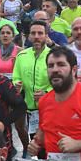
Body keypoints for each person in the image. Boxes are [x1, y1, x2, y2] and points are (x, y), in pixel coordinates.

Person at [12, 20, 52, 153]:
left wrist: (47, 92)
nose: (36, 36)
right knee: (38, 148)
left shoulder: (53, 56)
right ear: (28, 36)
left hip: (51, 110)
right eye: (33, 33)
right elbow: (16, 77)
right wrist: (17, 86)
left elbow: (61, 83)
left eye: (40, 33)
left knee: (52, 148)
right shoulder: (22, 56)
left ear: (46, 36)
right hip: (32, 112)